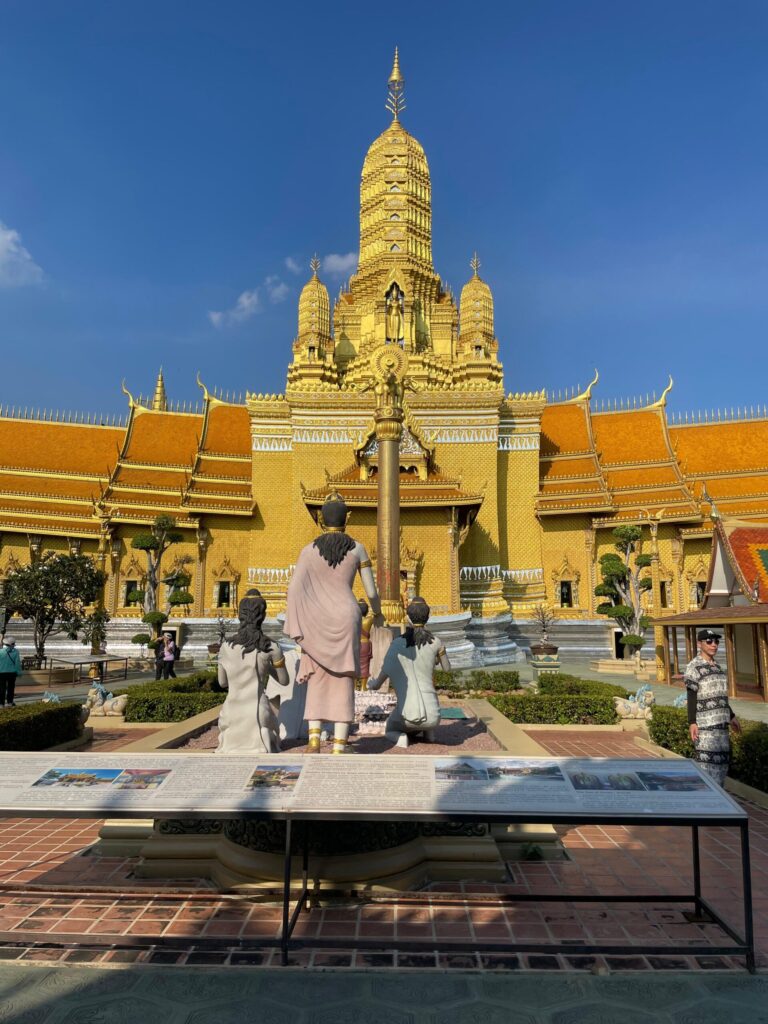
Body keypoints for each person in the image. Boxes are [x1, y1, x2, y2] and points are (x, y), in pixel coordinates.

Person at [285, 496, 383, 754]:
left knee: (317, 676)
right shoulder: (358, 549)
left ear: (320, 519)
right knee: (344, 679)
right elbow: (371, 591)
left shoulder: (308, 551)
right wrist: (378, 611)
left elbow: (293, 588)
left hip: (316, 618)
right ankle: (340, 744)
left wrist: (299, 619)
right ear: (347, 518)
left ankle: (314, 739)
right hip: (346, 616)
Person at [368, 597, 451, 748]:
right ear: (428, 617)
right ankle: (429, 734)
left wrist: (371, 684)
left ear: (407, 617)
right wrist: (436, 657)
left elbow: (378, 682)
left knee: (390, 728)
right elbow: (447, 669)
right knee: (428, 711)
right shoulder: (436, 642)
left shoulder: (397, 644)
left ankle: (401, 739)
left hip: (406, 716)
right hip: (434, 716)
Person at [217, 590, 289, 754]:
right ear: (262, 616)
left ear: (240, 614)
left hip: (231, 712)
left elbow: (222, 683)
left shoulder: (226, 646)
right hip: (258, 712)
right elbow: (284, 681)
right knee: (269, 723)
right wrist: (265, 666)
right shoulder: (271, 647)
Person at [685, 628, 741, 786]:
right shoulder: (693, 667)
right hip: (705, 725)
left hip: (722, 726)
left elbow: (720, 696)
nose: (713, 645)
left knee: (721, 767)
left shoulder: (717, 666)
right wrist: (692, 722)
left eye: (716, 641)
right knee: (706, 766)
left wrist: (732, 716)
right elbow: (691, 695)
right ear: (699, 644)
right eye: (709, 641)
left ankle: (719, 803)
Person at [0, 636, 22, 708]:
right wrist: (19, 673)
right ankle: (10, 702)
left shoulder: (0, 652)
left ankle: (1, 704)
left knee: (1, 688)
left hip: (1, 673)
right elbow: (17, 663)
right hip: (12, 673)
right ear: (11, 644)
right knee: (11, 688)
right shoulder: (16, 651)